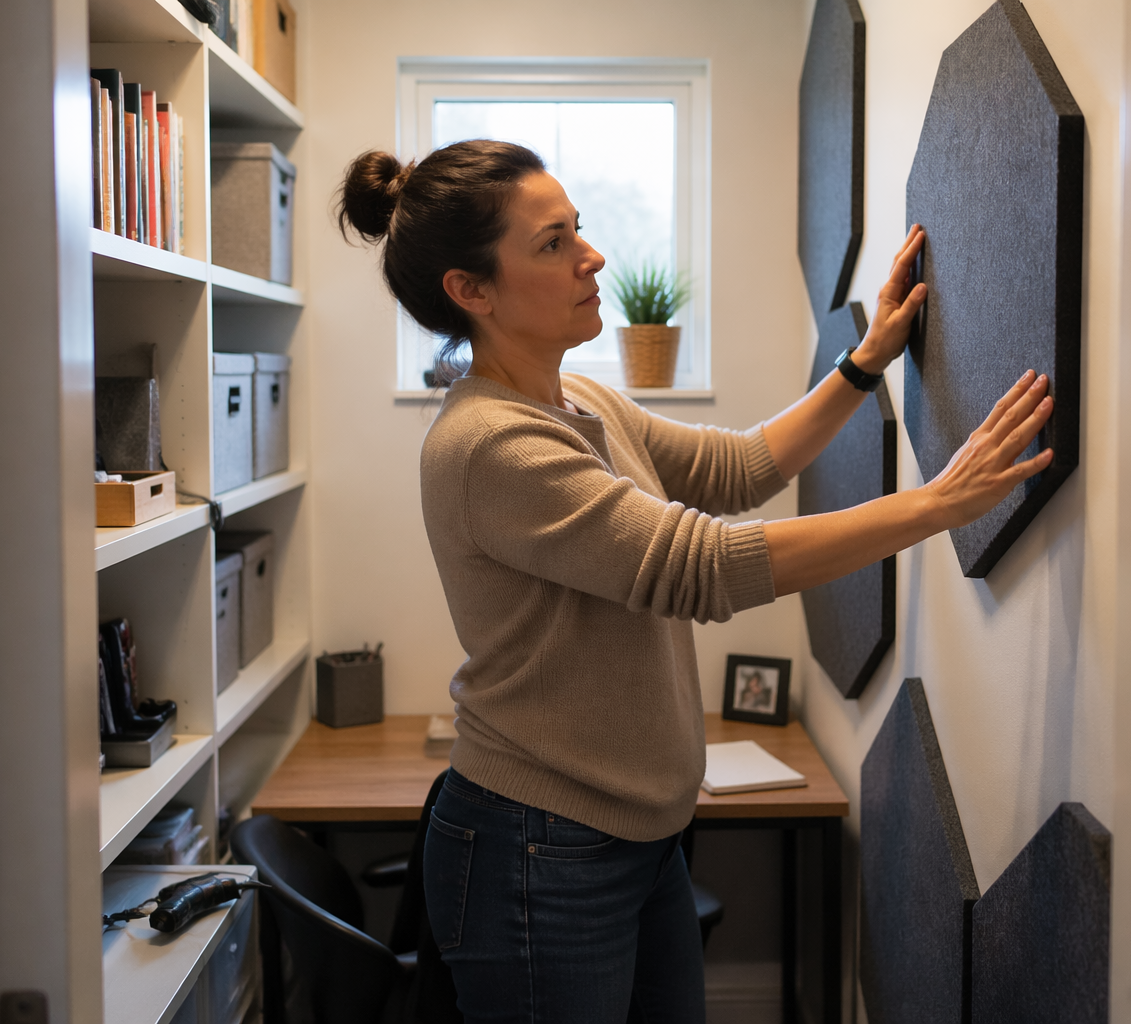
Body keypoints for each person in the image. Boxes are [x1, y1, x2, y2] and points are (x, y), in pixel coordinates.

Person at [337, 140, 1052, 1024]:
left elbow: (737, 468)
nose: (591, 256)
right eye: (553, 243)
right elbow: (701, 565)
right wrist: (935, 507)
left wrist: (864, 363)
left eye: (580, 231)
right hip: (539, 847)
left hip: (642, 834)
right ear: (470, 291)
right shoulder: (491, 445)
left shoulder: (581, 401)